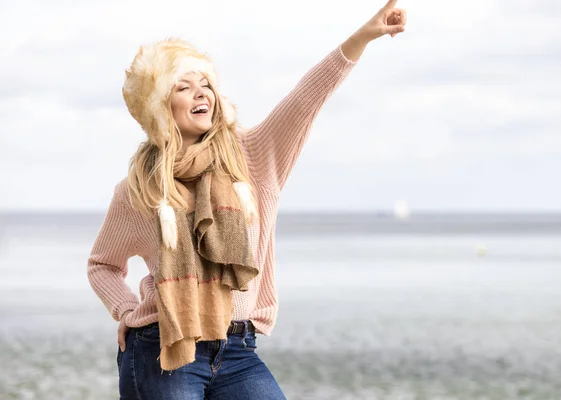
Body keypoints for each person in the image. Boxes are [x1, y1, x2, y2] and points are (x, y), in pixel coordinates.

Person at [87, 1, 407, 399]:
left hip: (238, 350)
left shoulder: (253, 157)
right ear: (160, 110)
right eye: (183, 87)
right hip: (163, 349)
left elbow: (306, 100)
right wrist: (127, 310)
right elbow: (102, 264)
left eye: (205, 83)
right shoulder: (140, 188)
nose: (200, 93)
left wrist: (361, 37)